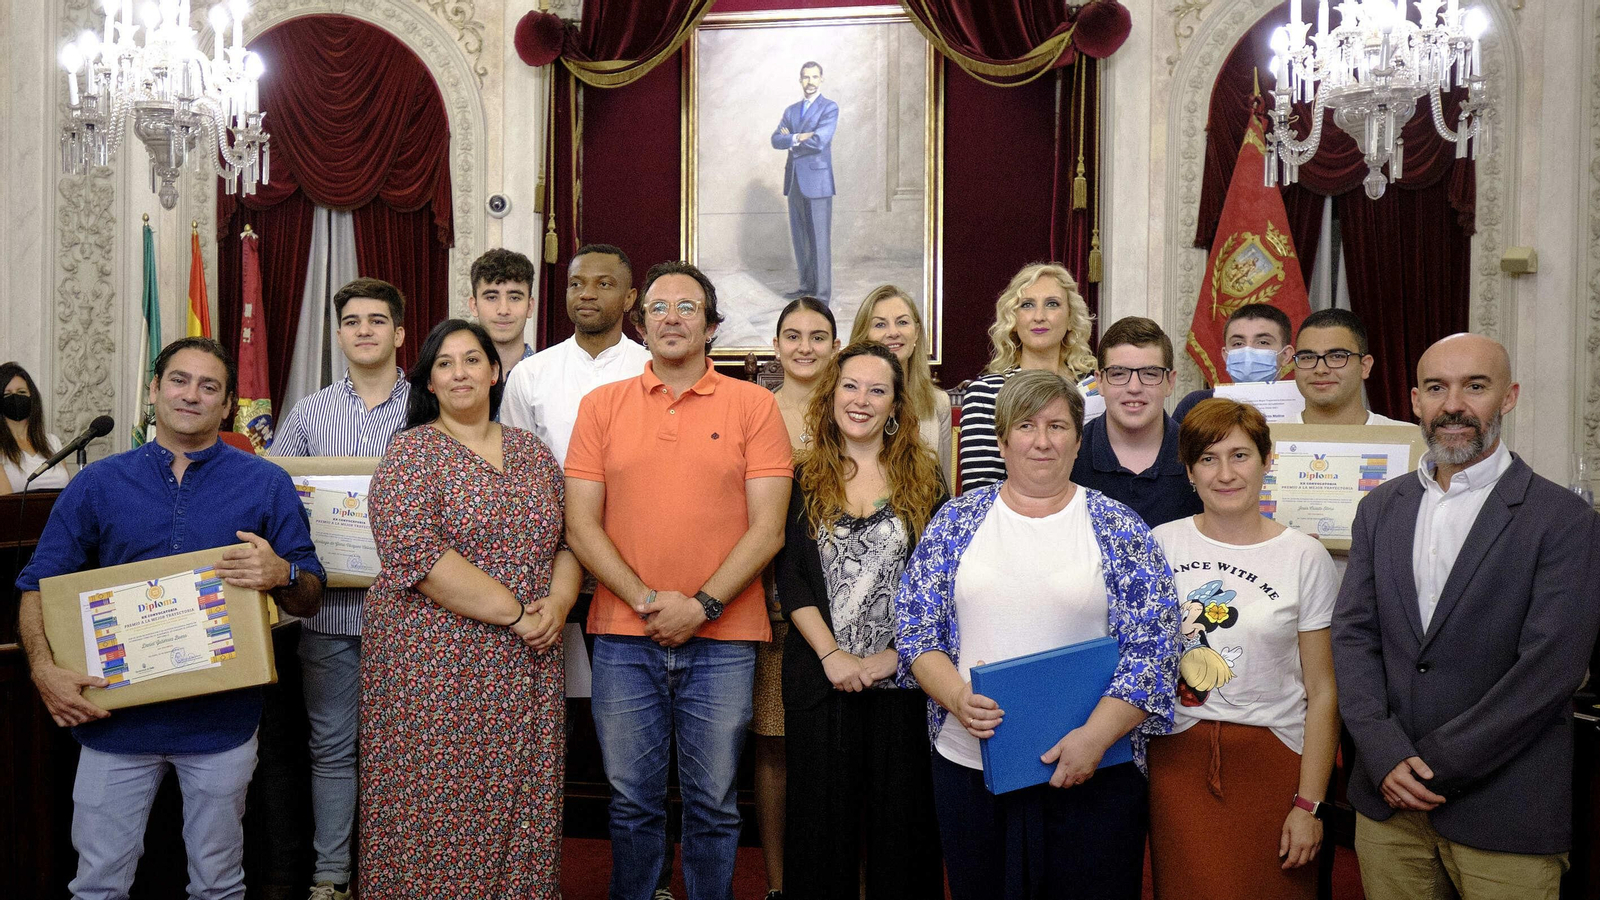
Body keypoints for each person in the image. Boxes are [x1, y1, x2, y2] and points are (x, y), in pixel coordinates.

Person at [16, 336, 325, 900]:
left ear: (229, 404)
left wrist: (281, 572)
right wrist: (43, 668)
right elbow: (38, 584)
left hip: (221, 723)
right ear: (154, 390)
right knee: (97, 883)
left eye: (210, 386)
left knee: (219, 883)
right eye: (179, 381)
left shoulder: (266, 482)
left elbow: (310, 593)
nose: (192, 395)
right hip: (114, 724)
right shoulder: (97, 483)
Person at [1332, 333, 1600, 900]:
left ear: (1508, 397)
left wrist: (1430, 765)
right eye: (1436, 388)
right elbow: (1354, 638)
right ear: (1414, 401)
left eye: (1474, 386)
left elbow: (1552, 668)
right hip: (1387, 803)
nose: (1453, 404)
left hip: (1506, 809)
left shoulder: (1565, 519)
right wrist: (1382, 753)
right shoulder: (1380, 508)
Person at [895, 369, 1179, 900]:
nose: (1042, 441)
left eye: (1057, 426)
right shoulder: (957, 521)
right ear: (1002, 440)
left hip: (1095, 767)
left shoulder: (1119, 526)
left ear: (1078, 438)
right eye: (1026, 426)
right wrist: (957, 697)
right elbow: (916, 629)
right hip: (971, 764)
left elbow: (1155, 648)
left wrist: (1092, 740)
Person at [564, 261, 792, 900]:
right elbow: (581, 527)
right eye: (659, 307)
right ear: (641, 324)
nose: (671, 318)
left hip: (723, 637)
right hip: (620, 634)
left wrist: (702, 605)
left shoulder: (754, 405)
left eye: (687, 307)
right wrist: (646, 600)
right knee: (632, 803)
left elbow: (767, 529)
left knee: (714, 803)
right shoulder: (600, 405)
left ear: (712, 326)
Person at [359, 319, 581, 899]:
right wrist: (516, 614)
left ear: (495, 371)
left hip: (527, 662)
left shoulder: (534, 454)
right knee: (435, 805)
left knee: (523, 801)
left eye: (472, 360)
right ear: (429, 382)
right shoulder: (410, 454)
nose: (460, 372)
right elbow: (420, 559)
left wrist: (557, 604)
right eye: (445, 363)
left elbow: (568, 542)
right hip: (433, 666)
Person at [1146, 398, 1339, 900]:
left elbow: (1322, 692)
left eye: (1240, 455)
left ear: (1266, 461)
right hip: (1177, 762)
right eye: (1208, 459)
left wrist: (1309, 804)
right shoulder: (1159, 545)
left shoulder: (1304, 556)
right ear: (1188, 471)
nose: (1225, 473)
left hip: (1274, 763)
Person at [778, 340, 945, 899]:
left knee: (902, 832)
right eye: (851, 386)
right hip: (821, 679)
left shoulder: (926, 479)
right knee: (820, 833)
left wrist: (892, 657)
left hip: (902, 680)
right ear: (831, 396)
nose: (862, 400)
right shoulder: (800, 477)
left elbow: (938, 583)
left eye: (878, 390)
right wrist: (833, 656)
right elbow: (791, 576)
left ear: (896, 406)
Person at [269, 276, 410, 900]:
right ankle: (332, 877)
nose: (363, 331)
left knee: (406, 750)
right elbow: (274, 494)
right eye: (352, 321)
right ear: (339, 333)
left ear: (400, 333)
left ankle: (397, 875)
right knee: (331, 750)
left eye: (376, 320)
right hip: (327, 617)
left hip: (413, 617)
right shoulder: (310, 412)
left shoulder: (427, 410)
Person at [757, 295, 840, 900]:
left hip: (843, 605)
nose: (805, 347)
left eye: (817, 336)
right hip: (763, 598)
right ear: (777, 344)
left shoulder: (853, 407)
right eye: (793, 335)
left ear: (835, 345)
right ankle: (780, 884)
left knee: (839, 753)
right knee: (776, 745)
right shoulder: (753, 409)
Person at [502, 243, 650, 466]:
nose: (586, 294)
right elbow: (518, 468)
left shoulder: (651, 368)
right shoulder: (530, 374)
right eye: (576, 284)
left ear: (629, 299)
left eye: (603, 284)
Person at [958, 263, 1099, 491]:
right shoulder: (986, 393)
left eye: (1052, 304)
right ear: (1013, 320)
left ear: (1071, 317)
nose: (1039, 317)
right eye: (1027, 305)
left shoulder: (1094, 387)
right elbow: (980, 492)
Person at [1071, 316, 1202, 527]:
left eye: (1150, 374)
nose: (1134, 388)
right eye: (1118, 374)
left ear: (1170, 382)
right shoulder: (1070, 456)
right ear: (1100, 382)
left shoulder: (1199, 455)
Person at [849, 284, 952, 483]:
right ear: (864, 336)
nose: (893, 332)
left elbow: (943, 489)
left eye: (902, 322)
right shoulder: (847, 401)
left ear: (916, 332)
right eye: (880, 325)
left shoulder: (939, 403)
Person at [771, 61, 838, 305]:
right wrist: (799, 137)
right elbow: (776, 140)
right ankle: (806, 287)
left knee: (819, 238)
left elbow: (820, 141)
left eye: (814, 77)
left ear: (821, 79)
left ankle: (821, 294)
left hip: (819, 181)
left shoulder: (829, 108)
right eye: (805, 77)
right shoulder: (791, 110)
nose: (810, 82)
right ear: (800, 80)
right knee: (801, 238)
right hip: (794, 181)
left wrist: (791, 140)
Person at [1172, 302, 1295, 424]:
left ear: (1286, 355)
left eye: (1263, 342)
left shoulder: (1303, 405)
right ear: (1226, 356)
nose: (1248, 351)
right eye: (1238, 344)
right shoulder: (1196, 405)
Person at [1290, 308, 1407, 425]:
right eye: (1307, 357)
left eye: (1336, 356)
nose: (1320, 370)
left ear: (1365, 366)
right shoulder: (1274, 437)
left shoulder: (1407, 439)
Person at [466, 248, 537, 379]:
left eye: (514, 298)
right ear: (474, 305)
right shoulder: (458, 380)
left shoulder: (551, 378)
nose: (503, 310)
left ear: (530, 306)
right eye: (491, 297)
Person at [1, 361, 69, 492]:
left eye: (21, 392)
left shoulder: (52, 442)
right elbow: (6, 505)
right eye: (7, 394)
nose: (15, 397)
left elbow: (68, 494)